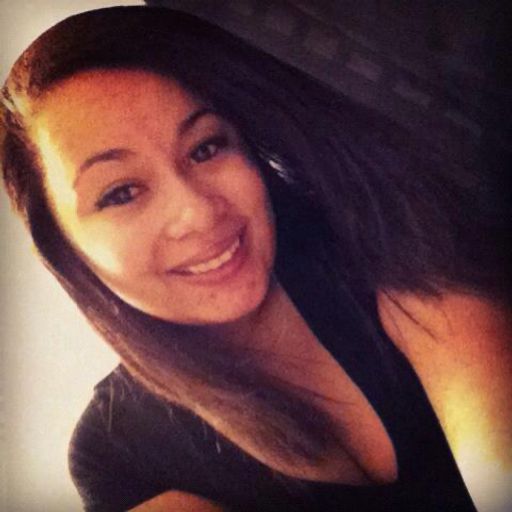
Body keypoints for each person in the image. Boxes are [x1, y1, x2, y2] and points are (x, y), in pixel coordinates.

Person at [1, 6, 510, 512]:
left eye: (206, 148)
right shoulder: (121, 456)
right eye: (121, 192)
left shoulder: (374, 232)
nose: (197, 213)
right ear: (65, 246)